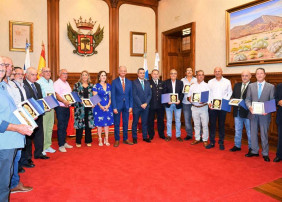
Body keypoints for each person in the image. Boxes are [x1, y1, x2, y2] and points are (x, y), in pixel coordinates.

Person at [0, 56, 33, 201]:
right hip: (4, 142)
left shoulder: (3, 86)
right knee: (2, 184)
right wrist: (17, 127)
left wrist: (28, 119)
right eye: (1, 64)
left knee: (5, 181)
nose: (3, 67)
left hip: (11, 140)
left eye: (4, 65)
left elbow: (13, 110)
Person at [245, 68, 275, 162]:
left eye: (261, 73)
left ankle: (265, 153)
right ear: (255, 75)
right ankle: (254, 151)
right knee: (253, 133)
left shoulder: (271, 87)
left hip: (264, 115)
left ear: (265, 75)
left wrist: (268, 110)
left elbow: (272, 100)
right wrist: (250, 107)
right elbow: (247, 99)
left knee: (264, 134)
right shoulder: (251, 86)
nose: (259, 75)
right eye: (257, 73)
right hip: (253, 113)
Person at [23, 67, 49, 159]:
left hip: (39, 113)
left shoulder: (37, 85)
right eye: (32, 75)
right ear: (26, 75)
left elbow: (40, 99)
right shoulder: (23, 85)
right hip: (29, 115)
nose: (35, 77)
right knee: (29, 137)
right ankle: (28, 158)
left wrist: (45, 107)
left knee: (39, 134)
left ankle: (39, 153)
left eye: (36, 75)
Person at [207, 67, 232, 150]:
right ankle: (212, 141)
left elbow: (230, 92)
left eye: (219, 71)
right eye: (216, 71)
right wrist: (209, 102)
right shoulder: (210, 82)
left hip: (223, 106)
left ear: (222, 72)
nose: (217, 73)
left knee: (221, 125)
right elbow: (208, 93)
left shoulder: (227, 81)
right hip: (212, 106)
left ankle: (221, 142)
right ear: (214, 73)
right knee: (212, 124)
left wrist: (225, 101)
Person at [229, 70, 252, 153]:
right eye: (243, 76)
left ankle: (251, 148)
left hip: (248, 112)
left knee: (249, 132)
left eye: (246, 76)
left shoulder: (253, 86)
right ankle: (237, 145)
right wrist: (231, 99)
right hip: (237, 111)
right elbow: (233, 96)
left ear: (250, 76)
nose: (244, 77)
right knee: (237, 130)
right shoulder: (237, 85)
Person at [111, 66, 134, 147]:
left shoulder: (129, 82)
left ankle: (125, 139)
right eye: (121, 71)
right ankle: (117, 139)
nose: (123, 72)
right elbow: (113, 96)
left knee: (125, 123)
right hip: (117, 106)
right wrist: (114, 107)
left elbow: (131, 95)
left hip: (127, 106)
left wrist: (131, 106)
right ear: (118, 71)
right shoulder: (114, 82)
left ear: (126, 72)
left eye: (124, 71)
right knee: (117, 123)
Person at [37, 67, 56, 155]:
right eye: (46, 71)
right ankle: (42, 147)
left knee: (49, 127)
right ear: (42, 73)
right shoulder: (38, 83)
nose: (48, 73)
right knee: (43, 128)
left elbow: (53, 95)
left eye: (49, 71)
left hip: (51, 107)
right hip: (44, 108)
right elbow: (38, 97)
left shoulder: (51, 82)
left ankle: (48, 145)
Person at [188, 70, 210, 147]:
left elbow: (210, 97)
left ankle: (205, 139)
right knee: (196, 124)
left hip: (203, 107)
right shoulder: (192, 85)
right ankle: (197, 138)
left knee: (204, 124)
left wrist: (205, 101)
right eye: (199, 75)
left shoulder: (207, 85)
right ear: (196, 76)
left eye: (202, 75)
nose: (200, 76)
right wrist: (190, 99)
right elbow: (189, 96)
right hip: (194, 107)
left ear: (203, 76)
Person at [73, 70, 95, 147]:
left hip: (89, 108)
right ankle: (78, 141)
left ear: (88, 76)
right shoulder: (77, 85)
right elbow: (74, 96)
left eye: (86, 75)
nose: (85, 76)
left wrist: (94, 103)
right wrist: (80, 100)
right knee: (79, 124)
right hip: (80, 108)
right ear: (81, 76)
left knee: (88, 124)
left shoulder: (91, 86)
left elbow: (94, 96)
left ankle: (88, 140)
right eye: (83, 75)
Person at [53, 69, 73, 152]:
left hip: (67, 107)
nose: (65, 75)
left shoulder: (66, 83)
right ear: (59, 74)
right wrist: (64, 101)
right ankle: (60, 145)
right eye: (64, 73)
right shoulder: (57, 83)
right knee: (61, 126)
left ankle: (64, 142)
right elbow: (56, 95)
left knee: (65, 126)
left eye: (66, 74)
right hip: (60, 107)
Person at [93, 71, 114, 146]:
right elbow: (95, 97)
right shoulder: (96, 86)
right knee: (99, 124)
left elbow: (111, 97)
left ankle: (106, 139)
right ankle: (100, 139)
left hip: (108, 107)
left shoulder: (109, 86)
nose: (104, 77)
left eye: (105, 75)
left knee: (106, 124)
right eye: (102, 75)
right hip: (99, 108)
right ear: (99, 77)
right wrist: (101, 106)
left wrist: (108, 105)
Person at [163, 69, 184, 142]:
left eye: (175, 73)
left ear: (177, 74)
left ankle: (178, 135)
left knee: (178, 120)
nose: (173, 75)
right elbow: (164, 92)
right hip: (169, 104)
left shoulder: (180, 82)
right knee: (169, 120)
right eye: (172, 73)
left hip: (177, 104)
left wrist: (179, 100)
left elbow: (182, 93)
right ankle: (169, 135)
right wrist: (167, 100)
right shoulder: (166, 82)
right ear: (169, 75)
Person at [132, 68, 152, 144]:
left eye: (143, 73)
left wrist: (146, 103)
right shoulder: (134, 82)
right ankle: (134, 137)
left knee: (144, 122)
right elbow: (135, 95)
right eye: (140, 73)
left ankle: (145, 137)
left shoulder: (147, 82)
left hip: (146, 106)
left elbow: (150, 94)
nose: (142, 74)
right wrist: (141, 104)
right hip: (137, 106)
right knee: (135, 122)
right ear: (137, 74)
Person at [147, 69, 165, 140]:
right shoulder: (148, 83)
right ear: (151, 75)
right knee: (150, 120)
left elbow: (165, 93)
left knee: (160, 120)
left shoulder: (162, 83)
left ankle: (161, 134)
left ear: (159, 75)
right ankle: (151, 134)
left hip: (160, 105)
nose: (155, 75)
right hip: (151, 105)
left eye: (157, 74)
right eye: (154, 74)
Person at [181, 67, 197, 141]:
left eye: (191, 70)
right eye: (188, 71)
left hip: (195, 102)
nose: (189, 72)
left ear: (193, 72)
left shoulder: (196, 80)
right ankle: (189, 134)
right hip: (185, 102)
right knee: (187, 119)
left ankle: (198, 135)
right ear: (185, 73)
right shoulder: (182, 80)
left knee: (196, 119)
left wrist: (194, 86)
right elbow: (180, 90)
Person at [274, 83, 282, 162]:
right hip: (281, 115)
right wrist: (278, 102)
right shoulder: (279, 86)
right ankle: (279, 155)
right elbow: (274, 99)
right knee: (280, 137)